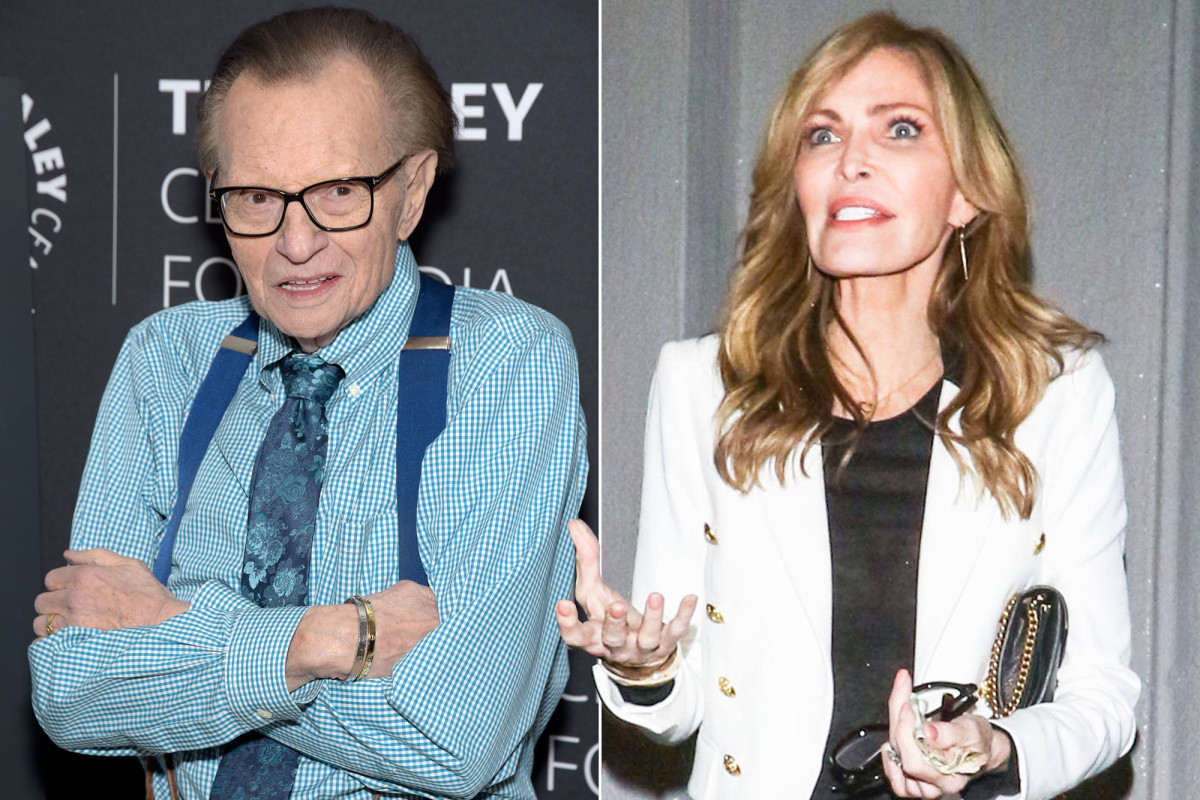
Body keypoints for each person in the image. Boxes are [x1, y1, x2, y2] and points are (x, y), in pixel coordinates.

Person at [558, 12, 1137, 800]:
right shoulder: (704, 386)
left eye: (900, 129)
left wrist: (992, 747)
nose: (851, 160)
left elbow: (1102, 699)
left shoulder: (1053, 394)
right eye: (822, 136)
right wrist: (645, 664)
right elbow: (684, 701)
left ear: (968, 192)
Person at [29, 8, 587, 800]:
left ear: (412, 192)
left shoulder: (506, 363)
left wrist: (174, 626)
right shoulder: (165, 361)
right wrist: (324, 639)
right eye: (257, 197)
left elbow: (458, 737)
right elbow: (72, 691)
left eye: (337, 192)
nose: (296, 243)